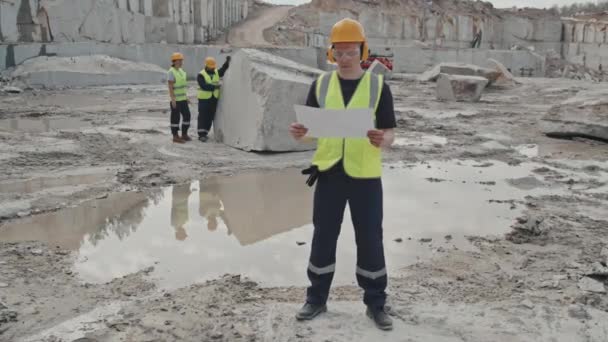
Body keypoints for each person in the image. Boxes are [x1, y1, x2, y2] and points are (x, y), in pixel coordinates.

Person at [288, 18, 396, 331]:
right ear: (332, 52)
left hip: (365, 176)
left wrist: (382, 140)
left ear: (363, 50)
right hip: (329, 173)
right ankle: (316, 298)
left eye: (351, 51)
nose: (345, 58)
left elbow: (390, 133)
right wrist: (300, 133)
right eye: (340, 52)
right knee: (324, 236)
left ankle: (376, 303)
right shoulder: (320, 85)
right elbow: (311, 130)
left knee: (370, 239)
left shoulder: (378, 87)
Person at [197, 56, 231, 142]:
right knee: (203, 116)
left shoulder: (216, 72)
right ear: (206, 66)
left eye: (213, 67)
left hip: (213, 98)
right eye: (211, 67)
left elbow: (222, 71)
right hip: (204, 99)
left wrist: (227, 63)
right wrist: (215, 87)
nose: (213, 68)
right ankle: (201, 134)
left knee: (210, 116)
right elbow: (203, 85)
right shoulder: (201, 74)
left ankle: (206, 132)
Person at [167, 52, 192, 144]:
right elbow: (170, 86)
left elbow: (182, 86)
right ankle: (175, 136)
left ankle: (184, 134)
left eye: (182, 60)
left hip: (183, 99)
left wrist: (186, 97)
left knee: (187, 116)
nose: (181, 62)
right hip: (176, 100)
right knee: (175, 118)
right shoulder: (171, 72)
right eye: (180, 60)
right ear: (175, 61)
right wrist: (172, 99)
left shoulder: (182, 71)